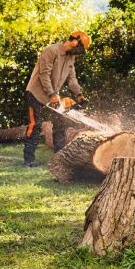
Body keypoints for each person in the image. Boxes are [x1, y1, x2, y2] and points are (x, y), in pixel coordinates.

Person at [23, 31, 91, 167]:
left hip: (53, 95)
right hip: (36, 93)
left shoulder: (71, 58)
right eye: (80, 49)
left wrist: (79, 94)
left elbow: (72, 79)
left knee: (60, 125)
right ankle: (28, 159)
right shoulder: (51, 51)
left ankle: (59, 157)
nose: (79, 52)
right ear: (75, 42)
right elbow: (44, 74)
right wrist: (52, 94)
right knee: (35, 125)